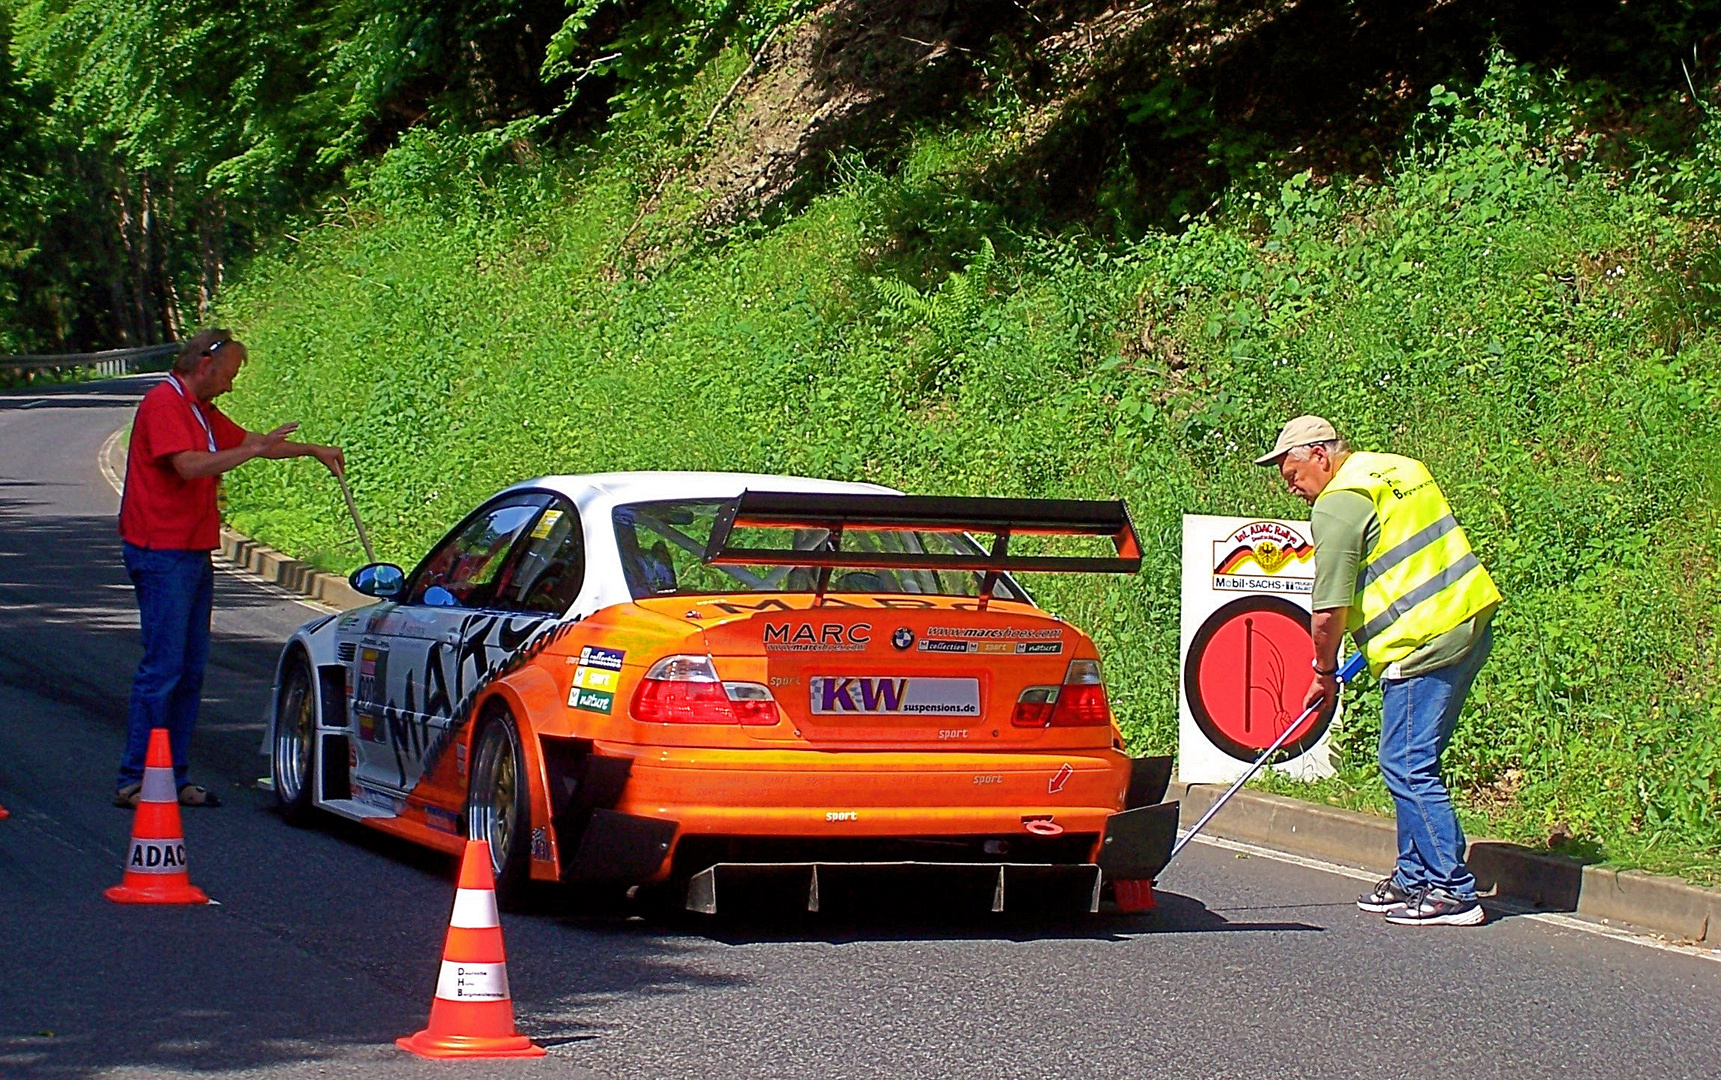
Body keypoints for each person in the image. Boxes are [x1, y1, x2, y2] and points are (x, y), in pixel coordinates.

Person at [1256, 415, 1500, 926]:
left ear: (1320, 455)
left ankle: (1453, 889)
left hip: (1423, 639)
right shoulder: (1399, 468)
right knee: (1410, 757)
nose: (1294, 490)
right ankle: (1414, 877)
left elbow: (1328, 611)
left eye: (1294, 475)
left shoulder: (1338, 506)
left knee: (1407, 762)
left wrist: (1322, 672)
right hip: (1468, 614)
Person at [114, 329, 345, 810]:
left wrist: (312, 451)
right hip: (162, 552)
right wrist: (253, 452)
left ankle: (171, 777)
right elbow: (190, 466)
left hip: (190, 551)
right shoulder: (164, 404)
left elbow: (253, 442)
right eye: (230, 374)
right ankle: (137, 777)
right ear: (205, 363)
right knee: (164, 667)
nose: (231, 386)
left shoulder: (200, 410)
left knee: (190, 668)